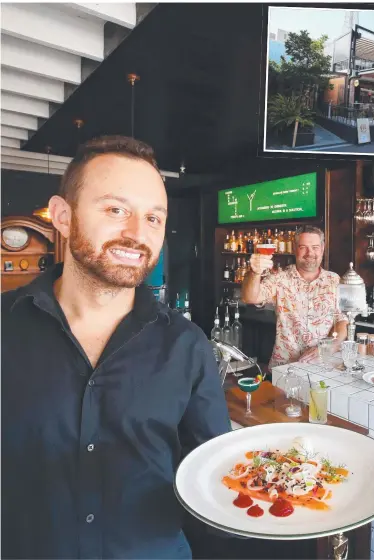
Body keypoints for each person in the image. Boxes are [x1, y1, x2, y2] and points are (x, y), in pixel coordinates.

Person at [2, 136, 231, 559]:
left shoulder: (186, 345)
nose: (136, 234)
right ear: (63, 216)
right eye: (116, 210)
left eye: (153, 218)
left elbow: (212, 474)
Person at [242, 225, 347, 369]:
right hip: (285, 367)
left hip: (322, 366)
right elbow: (250, 298)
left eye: (315, 247)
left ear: (322, 249)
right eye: (303, 247)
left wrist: (332, 345)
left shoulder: (334, 280)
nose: (310, 253)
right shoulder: (280, 278)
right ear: (294, 249)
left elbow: (341, 319)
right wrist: (255, 272)